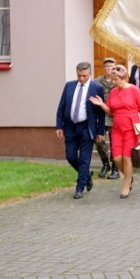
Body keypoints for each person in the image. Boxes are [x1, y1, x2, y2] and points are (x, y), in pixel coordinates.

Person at [89, 64, 140, 199]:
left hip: (130, 127)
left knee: (127, 157)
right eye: (112, 79)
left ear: (124, 78)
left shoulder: (134, 90)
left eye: (116, 79)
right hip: (117, 128)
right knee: (117, 158)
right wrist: (101, 104)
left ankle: (126, 184)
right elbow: (111, 111)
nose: (113, 82)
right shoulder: (113, 92)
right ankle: (129, 177)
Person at [55, 62, 106, 200]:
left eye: (84, 76)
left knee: (85, 159)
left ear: (90, 74)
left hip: (87, 127)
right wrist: (59, 126)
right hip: (70, 126)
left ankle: (80, 187)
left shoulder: (97, 88)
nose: (81, 78)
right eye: (79, 76)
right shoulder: (69, 86)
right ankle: (87, 174)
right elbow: (61, 107)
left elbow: (101, 113)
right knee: (70, 156)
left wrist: (100, 132)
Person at [94, 57, 121, 180]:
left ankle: (115, 167)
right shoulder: (97, 81)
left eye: (111, 66)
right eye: (106, 66)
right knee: (99, 140)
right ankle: (105, 163)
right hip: (101, 115)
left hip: (114, 115)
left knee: (114, 142)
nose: (109, 69)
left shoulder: (118, 81)